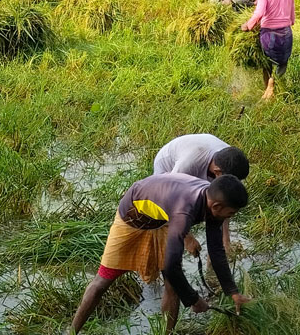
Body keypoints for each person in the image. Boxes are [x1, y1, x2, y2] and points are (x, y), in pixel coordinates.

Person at [70, 174, 251, 334]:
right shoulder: (184, 211)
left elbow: (216, 249)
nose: (231, 217)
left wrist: (232, 292)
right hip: (133, 219)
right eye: (231, 213)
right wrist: (194, 299)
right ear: (217, 206)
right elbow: (172, 266)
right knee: (102, 281)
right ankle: (72, 332)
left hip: (162, 220)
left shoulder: (212, 205)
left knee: (172, 286)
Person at [153, 134, 250, 258]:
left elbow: (226, 205)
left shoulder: (231, 162)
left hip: (204, 163)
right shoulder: (187, 165)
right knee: (166, 215)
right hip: (168, 168)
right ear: (217, 172)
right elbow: (166, 199)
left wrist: (226, 241)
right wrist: (187, 237)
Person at [242, 0, 295, 100]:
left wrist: (248, 25)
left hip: (269, 36)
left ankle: (269, 86)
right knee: (282, 62)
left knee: (267, 61)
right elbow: (292, 19)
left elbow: (259, 13)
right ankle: (275, 82)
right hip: (286, 35)